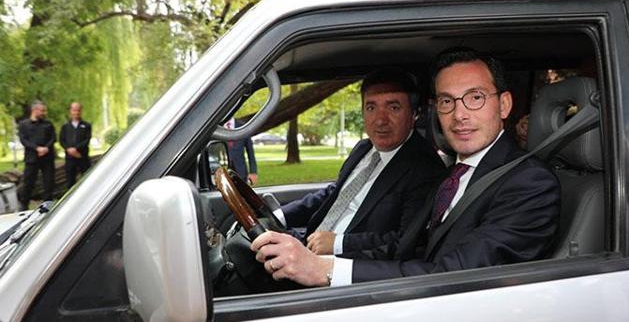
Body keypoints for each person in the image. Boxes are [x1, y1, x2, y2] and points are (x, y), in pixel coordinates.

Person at [250, 48, 560, 287]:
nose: (459, 115)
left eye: (475, 97)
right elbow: (404, 248)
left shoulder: (529, 185)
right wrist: (318, 261)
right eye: (447, 101)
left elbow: (451, 276)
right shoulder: (455, 174)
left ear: (504, 105)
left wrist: (326, 270)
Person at [277, 68, 446, 256]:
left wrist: (339, 243)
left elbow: (407, 241)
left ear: (415, 114)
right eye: (371, 108)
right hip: (308, 243)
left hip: (343, 262)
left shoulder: (426, 169)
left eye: (393, 108)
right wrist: (280, 216)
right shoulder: (363, 148)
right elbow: (336, 194)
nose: (380, 121)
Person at [17, 101, 57, 210]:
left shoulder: (48, 124)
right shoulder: (23, 124)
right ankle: (24, 205)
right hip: (31, 158)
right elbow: (23, 140)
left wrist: (46, 148)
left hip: (47, 158)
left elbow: (53, 138)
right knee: (28, 182)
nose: (44, 112)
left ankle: (48, 205)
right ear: (34, 110)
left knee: (49, 182)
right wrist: (37, 148)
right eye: (42, 110)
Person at [59, 102, 92, 189]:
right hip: (70, 158)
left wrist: (76, 149)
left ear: (81, 111)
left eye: (78, 110)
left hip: (82, 157)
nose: (76, 112)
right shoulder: (65, 126)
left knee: (87, 180)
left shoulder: (87, 125)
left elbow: (87, 140)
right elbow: (61, 140)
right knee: (70, 181)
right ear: (70, 111)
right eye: (74, 110)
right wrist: (68, 149)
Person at [225, 117, 259, 185]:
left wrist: (253, 172)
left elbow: (250, 152)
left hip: (241, 172)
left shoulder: (243, 127)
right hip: (223, 172)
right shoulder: (217, 127)